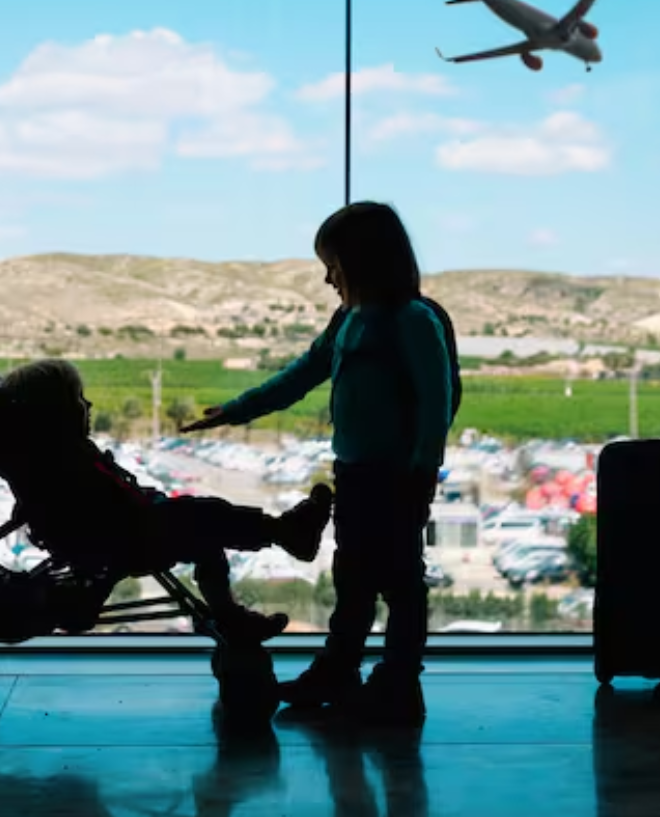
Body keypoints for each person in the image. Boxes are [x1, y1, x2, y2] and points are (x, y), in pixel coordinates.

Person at [182, 202, 456, 725]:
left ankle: (397, 685)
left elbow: (434, 405)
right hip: (354, 474)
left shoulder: (413, 321)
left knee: (400, 583)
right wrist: (235, 411)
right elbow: (302, 373)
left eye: (333, 263)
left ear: (363, 260)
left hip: (397, 480)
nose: (327, 276)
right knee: (353, 578)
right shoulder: (348, 322)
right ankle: (341, 672)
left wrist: (420, 474)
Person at [0, 359, 335, 645]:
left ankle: (232, 613)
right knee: (205, 515)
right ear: (57, 414)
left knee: (205, 533)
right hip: (127, 538)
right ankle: (284, 534)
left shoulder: (51, 460)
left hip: (121, 535)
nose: (88, 405)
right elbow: (108, 508)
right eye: (78, 399)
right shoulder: (67, 461)